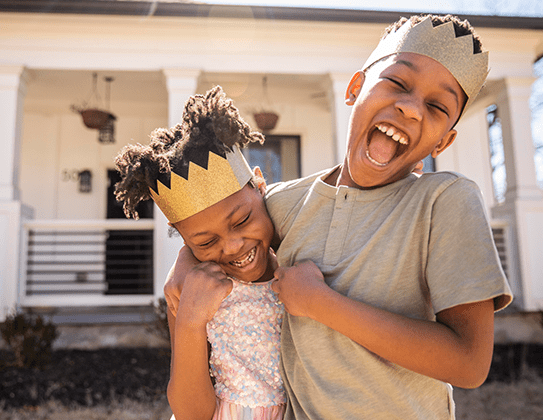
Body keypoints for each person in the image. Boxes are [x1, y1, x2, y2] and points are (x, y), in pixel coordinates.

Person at [165, 14, 513, 419]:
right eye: (398, 83)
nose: (412, 109)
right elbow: (227, 223)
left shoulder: (445, 202)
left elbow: (469, 363)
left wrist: (320, 303)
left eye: (437, 108)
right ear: (355, 88)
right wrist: (185, 261)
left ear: (444, 140)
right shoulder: (287, 204)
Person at [114, 86, 286, 420]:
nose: (233, 246)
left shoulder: (299, 254)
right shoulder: (189, 291)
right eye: (205, 243)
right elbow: (192, 413)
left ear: (260, 185)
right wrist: (191, 321)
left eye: (242, 220)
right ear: (184, 241)